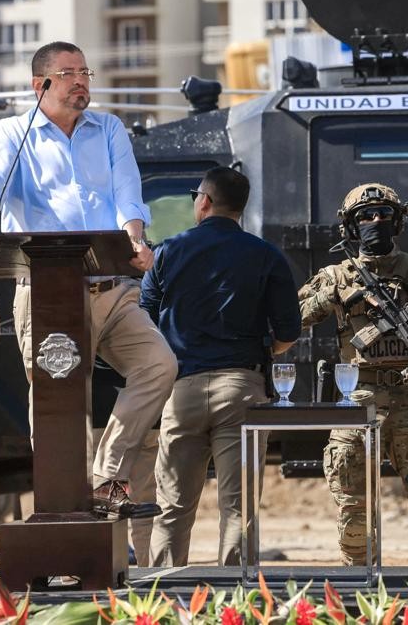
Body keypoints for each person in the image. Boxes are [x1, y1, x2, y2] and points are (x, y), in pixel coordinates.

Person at [0, 41, 177, 519]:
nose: (81, 81)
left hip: (111, 287)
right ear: (40, 84)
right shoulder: (11, 132)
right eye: (69, 74)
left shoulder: (109, 129)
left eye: (85, 72)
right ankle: (65, 503)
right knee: (58, 394)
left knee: (159, 364)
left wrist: (136, 240)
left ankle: (104, 478)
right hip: (47, 294)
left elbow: (128, 195)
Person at [142, 166, 300, 566]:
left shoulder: (168, 251)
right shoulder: (266, 255)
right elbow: (288, 332)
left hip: (181, 389)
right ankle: (237, 593)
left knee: (172, 506)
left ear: (205, 202)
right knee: (238, 509)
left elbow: (144, 321)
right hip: (241, 390)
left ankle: (162, 592)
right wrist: (262, 352)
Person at [298, 183, 408, 566]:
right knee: (353, 511)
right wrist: (330, 296)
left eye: (384, 215)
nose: (375, 221)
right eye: (365, 216)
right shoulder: (336, 275)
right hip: (358, 401)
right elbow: (291, 321)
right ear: (351, 226)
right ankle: (357, 588)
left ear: (397, 223)